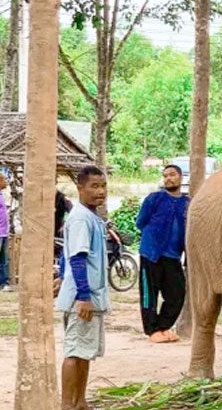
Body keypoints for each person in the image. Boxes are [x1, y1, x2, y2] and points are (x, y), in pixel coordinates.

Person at [54, 165, 111, 410]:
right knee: (75, 351)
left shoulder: (91, 217)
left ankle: (80, 401)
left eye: (103, 186)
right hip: (83, 299)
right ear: (80, 189)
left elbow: (71, 254)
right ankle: (67, 403)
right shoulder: (80, 217)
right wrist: (84, 296)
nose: (100, 192)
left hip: (92, 297)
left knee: (85, 352)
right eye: (94, 186)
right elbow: (78, 257)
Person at [136, 164, 189, 343]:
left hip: (173, 256)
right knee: (149, 293)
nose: (168, 178)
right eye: (165, 176)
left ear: (181, 178)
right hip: (151, 253)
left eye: (172, 175)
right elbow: (141, 222)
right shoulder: (155, 198)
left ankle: (162, 327)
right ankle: (152, 331)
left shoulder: (187, 203)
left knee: (177, 293)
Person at [0, 171, 10, 292]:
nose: (6, 182)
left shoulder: (1, 195)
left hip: (4, 232)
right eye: (4, 179)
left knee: (4, 260)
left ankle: (4, 283)